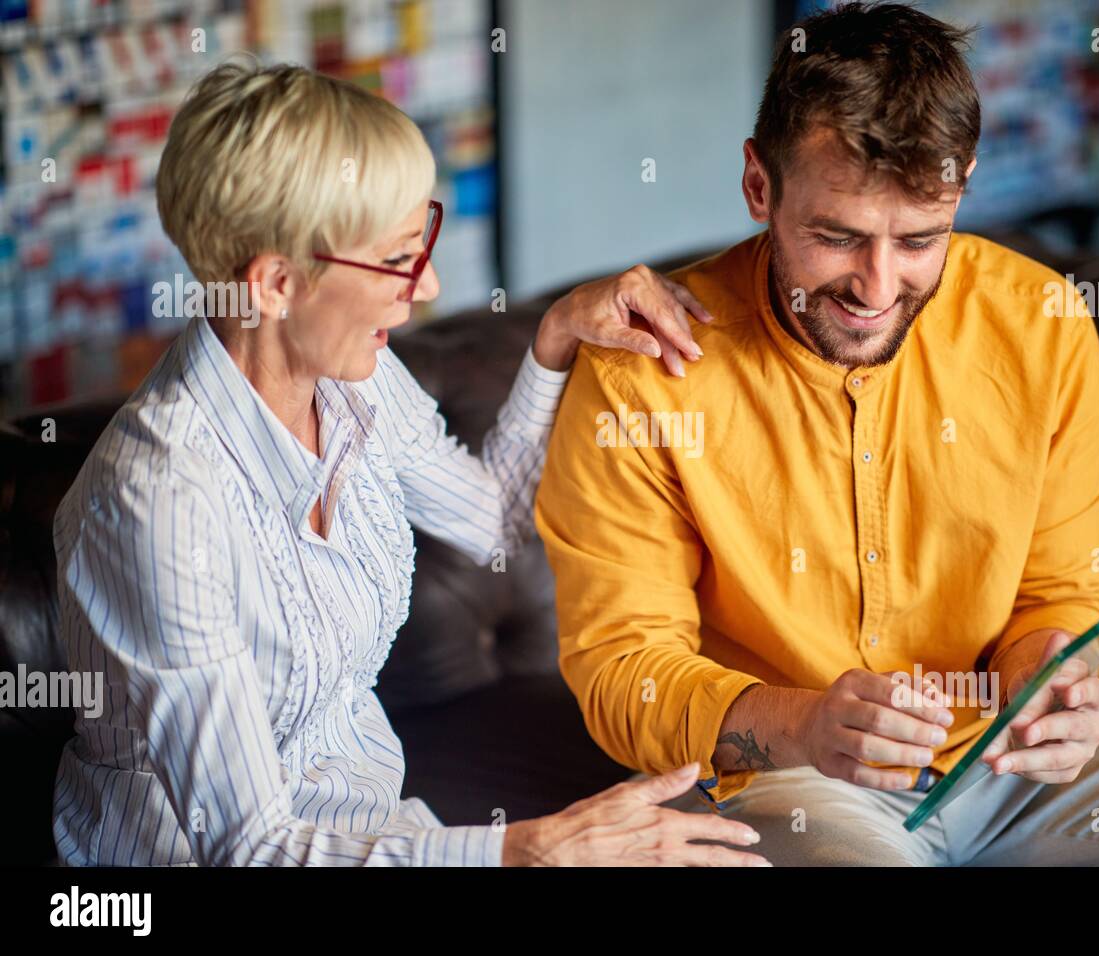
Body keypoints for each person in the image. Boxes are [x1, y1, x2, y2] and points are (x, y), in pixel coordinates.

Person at [535, 1, 1099, 865]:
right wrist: (806, 722)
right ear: (759, 186)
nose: (877, 287)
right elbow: (621, 669)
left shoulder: (1042, 323)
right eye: (837, 237)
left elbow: (1063, 585)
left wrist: (1058, 673)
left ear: (963, 187)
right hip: (789, 772)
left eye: (920, 240)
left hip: (1006, 758)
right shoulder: (638, 367)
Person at [51, 57, 769, 867]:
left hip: (379, 836)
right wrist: (529, 851)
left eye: (419, 236)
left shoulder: (358, 382)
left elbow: (495, 522)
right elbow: (249, 851)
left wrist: (558, 335)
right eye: (397, 258)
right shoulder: (158, 501)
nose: (426, 286)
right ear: (276, 283)